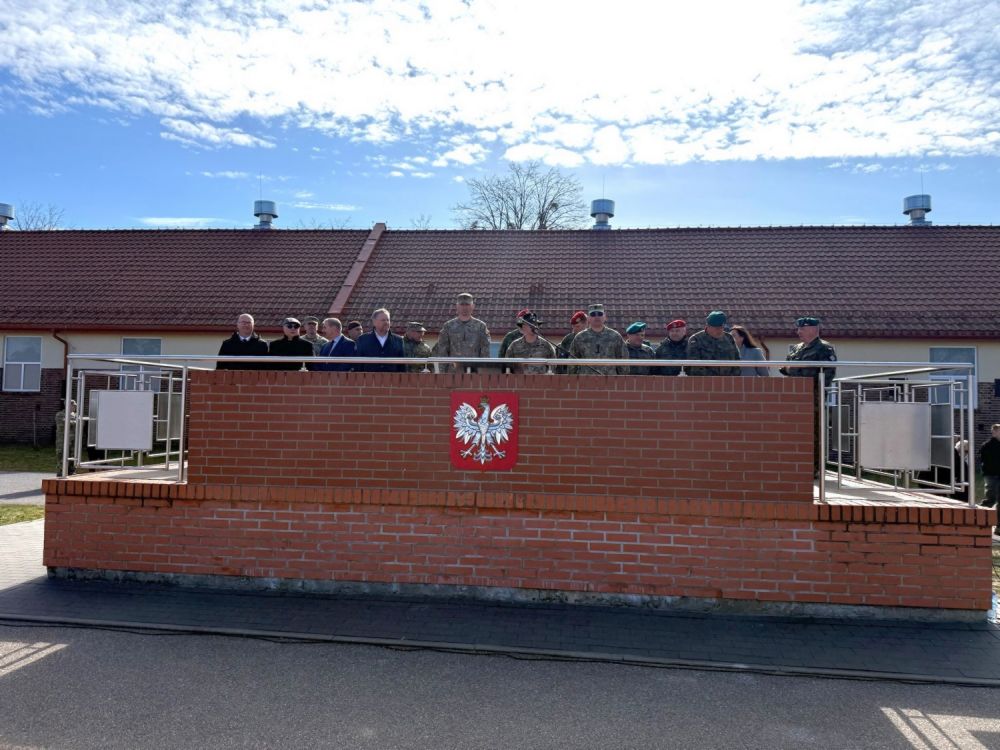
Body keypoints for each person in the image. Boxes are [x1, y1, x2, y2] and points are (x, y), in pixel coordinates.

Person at [780, 316, 837, 478]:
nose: (798, 332)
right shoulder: (797, 348)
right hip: (794, 396)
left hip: (813, 396)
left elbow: (827, 374)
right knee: (794, 432)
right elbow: (784, 368)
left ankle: (813, 468)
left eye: (802, 329)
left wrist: (796, 369)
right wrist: (798, 368)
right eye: (798, 329)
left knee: (812, 432)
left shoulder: (824, 348)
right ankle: (795, 464)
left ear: (813, 329)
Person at [432, 292, 491, 373]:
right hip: (453, 372)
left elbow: (485, 352)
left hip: (474, 372)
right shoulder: (448, 326)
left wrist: (483, 372)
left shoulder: (481, 326)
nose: (464, 307)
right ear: (457, 306)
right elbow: (442, 351)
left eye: (467, 304)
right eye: (462, 304)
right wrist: (441, 373)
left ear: (473, 306)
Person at [569, 303, 627, 375]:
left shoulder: (615, 336)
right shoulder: (580, 337)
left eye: (600, 314)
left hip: (609, 379)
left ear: (605, 317)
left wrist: (622, 379)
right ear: (588, 318)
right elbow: (572, 362)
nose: (596, 317)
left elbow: (623, 361)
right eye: (593, 314)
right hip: (586, 379)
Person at [685, 311, 741, 375]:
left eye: (722, 327)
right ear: (708, 326)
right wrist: (713, 379)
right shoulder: (696, 339)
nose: (720, 330)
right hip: (705, 380)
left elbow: (737, 361)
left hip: (728, 379)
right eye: (717, 328)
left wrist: (732, 377)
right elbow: (695, 366)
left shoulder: (729, 338)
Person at [355, 308, 405, 372]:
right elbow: (359, 364)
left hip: (391, 377)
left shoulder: (398, 340)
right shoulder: (363, 339)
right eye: (383, 320)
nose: (386, 322)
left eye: (388, 320)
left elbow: (402, 365)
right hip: (370, 377)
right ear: (374, 322)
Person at [54, 399, 77, 476]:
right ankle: (61, 472)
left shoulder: (75, 415)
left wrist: (74, 422)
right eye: (73, 405)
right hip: (62, 440)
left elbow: (81, 424)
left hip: (73, 440)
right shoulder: (60, 414)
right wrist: (75, 422)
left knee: (72, 456)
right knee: (62, 456)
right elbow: (64, 423)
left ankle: (71, 471)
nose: (75, 407)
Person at [979, 424, 1000, 509]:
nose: (995, 432)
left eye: (997, 431)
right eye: (994, 431)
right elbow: (982, 459)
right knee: (990, 495)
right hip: (990, 473)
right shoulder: (987, 445)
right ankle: (984, 511)